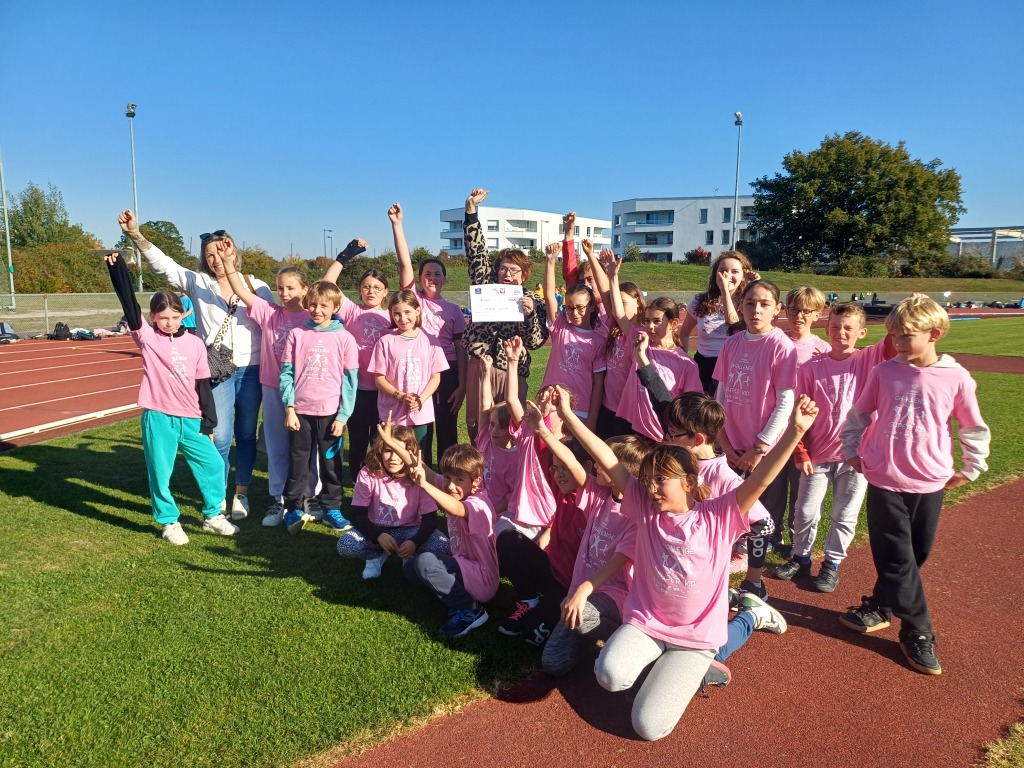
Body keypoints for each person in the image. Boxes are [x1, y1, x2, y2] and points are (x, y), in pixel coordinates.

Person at [563, 377, 819, 741]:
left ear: (688, 482)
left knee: (648, 727)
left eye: (661, 480)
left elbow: (761, 480)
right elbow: (607, 457)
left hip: (695, 638)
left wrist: (795, 432)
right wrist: (566, 415)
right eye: (648, 480)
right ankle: (664, 670)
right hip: (647, 624)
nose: (651, 488)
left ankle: (745, 621)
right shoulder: (646, 508)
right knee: (610, 675)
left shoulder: (718, 515)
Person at [839, 295, 990, 675]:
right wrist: (852, 449)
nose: (897, 343)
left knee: (915, 554)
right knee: (896, 557)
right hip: (885, 477)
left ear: (934, 334)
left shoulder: (956, 378)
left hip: (930, 480)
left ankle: (880, 606)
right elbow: (859, 413)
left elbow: (972, 425)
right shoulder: (885, 372)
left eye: (906, 336)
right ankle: (918, 630)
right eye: (894, 336)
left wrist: (973, 466)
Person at [120, 210, 275, 521]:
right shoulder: (198, 282)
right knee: (219, 436)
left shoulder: (256, 285)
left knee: (246, 435)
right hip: (217, 371)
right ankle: (217, 496)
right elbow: (164, 265)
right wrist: (135, 234)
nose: (215, 259)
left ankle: (241, 493)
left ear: (233, 250)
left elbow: (272, 320)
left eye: (220, 251)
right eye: (209, 255)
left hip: (252, 368)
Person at [215, 242, 363, 526]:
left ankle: (311, 496)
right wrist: (229, 263)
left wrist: (344, 257)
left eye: (290, 288)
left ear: (306, 290)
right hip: (276, 388)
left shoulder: (315, 316)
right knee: (278, 446)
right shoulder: (270, 312)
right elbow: (241, 291)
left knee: (313, 450)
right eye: (279, 288)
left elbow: (328, 287)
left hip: (315, 393)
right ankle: (280, 499)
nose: (284, 293)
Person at [102, 249, 236, 545]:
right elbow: (128, 302)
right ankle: (169, 522)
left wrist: (208, 422)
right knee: (161, 472)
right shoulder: (147, 338)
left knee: (213, 464)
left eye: (175, 317)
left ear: (183, 314)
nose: (170, 322)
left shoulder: (195, 343)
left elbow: (203, 384)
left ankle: (213, 515)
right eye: (163, 318)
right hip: (159, 416)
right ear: (153, 318)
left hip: (192, 418)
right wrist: (118, 269)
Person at [774, 302, 895, 591]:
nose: (841, 332)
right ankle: (801, 556)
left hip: (857, 458)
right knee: (805, 511)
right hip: (817, 455)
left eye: (848, 328)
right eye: (835, 327)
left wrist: (906, 310)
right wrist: (801, 452)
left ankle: (832, 564)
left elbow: (892, 341)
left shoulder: (868, 359)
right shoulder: (810, 368)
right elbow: (798, 413)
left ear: (862, 333)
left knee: (845, 514)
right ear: (827, 330)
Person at [714, 279, 798, 596]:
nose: (756, 310)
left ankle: (754, 580)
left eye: (764, 304)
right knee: (729, 507)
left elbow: (785, 403)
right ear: (741, 307)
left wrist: (760, 447)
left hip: (762, 450)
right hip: (731, 447)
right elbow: (721, 395)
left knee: (759, 516)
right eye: (750, 303)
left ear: (777, 309)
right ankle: (727, 560)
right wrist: (723, 442)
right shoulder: (731, 345)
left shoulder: (781, 347)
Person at [542, 432, 650, 677]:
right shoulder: (599, 493)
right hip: (584, 594)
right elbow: (570, 461)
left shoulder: (638, 517)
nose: (594, 464)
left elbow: (617, 562)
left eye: (602, 461)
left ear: (619, 472)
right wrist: (543, 431)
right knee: (552, 663)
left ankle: (628, 642)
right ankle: (591, 637)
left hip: (613, 597)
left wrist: (582, 590)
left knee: (584, 616)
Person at [497, 394, 595, 645]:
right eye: (555, 468)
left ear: (585, 468)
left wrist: (563, 417)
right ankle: (529, 600)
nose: (558, 474)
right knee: (507, 539)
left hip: (572, 586)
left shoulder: (592, 501)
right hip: (551, 570)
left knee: (532, 637)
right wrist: (540, 425)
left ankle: (548, 610)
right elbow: (544, 450)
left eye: (564, 469)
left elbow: (577, 466)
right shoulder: (560, 490)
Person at [462, 188, 548, 443]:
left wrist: (529, 316)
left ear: (524, 274)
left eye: (514, 270)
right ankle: (480, 463)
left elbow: (535, 342)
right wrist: (471, 213)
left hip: (512, 368)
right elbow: (477, 255)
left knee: (511, 424)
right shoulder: (486, 287)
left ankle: (509, 463)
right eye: (503, 269)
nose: (507, 274)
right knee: (477, 424)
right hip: (481, 365)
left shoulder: (534, 300)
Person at [276, 280, 360, 535]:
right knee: (298, 462)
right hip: (301, 412)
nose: (317, 310)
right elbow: (287, 374)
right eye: (313, 304)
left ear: (335, 306)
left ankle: (331, 508)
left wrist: (343, 416)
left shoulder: (345, 338)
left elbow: (350, 381)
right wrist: (290, 407)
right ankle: (292, 509)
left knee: (331, 463)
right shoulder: (296, 334)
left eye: (324, 305)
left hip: (332, 414)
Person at [390, 203, 467, 465]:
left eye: (437, 274)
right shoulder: (414, 300)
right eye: (427, 274)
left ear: (445, 278)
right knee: (419, 426)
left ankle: (447, 475)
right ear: (420, 278)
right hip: (418, 370)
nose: (432, 277)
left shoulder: (453, 310)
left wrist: (462, 385)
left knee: (447, 426)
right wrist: (397, 225)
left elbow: (461, 349)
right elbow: (404, 263)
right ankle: (418, 470)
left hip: (447, 372)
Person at [600, 250, 701, 442]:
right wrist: (612, 277)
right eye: (647, 321)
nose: (650, 326)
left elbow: (690, 409)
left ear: (674, 323)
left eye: (657, 321)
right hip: (628, 426)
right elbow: (619, 314)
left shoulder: (686, 364)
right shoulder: (641, 341)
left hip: (659, 435)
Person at [337, 417, 450, 579]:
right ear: (379, 451)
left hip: (410, 530)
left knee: (444, 547)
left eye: (398, 452)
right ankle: (375, 555)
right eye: (388, 451)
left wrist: (415, 542)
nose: (393, 458)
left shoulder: (418, 475)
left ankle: (411, 555)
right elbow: (357, 515)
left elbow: (430, 518)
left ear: (408, 453)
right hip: (377, 528)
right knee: (346, 545)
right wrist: (377, 535)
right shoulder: (368, 473)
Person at [404, 444, 498, 638]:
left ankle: (470, 609)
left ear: (476, 481)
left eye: (459, 480)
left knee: (425, 562)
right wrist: (393, 443)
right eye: (447, 477)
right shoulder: (456, 489)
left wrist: (424, 485)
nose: (450, 486)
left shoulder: (478, 504)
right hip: (465, 566)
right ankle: (455, 594)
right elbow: (427, 472)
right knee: (410, 568)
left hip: (482, 579)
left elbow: (456, 509)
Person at [321, 245, 392, 483]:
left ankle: (379, 480)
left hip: (384, 390)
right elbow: (327, 284)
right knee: (358, 439)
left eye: (377, 288)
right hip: (356, 390)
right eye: (366, 287)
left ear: (385, 291)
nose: (371, 292)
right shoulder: (352, 311)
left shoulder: (392, 316)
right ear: (360, 290)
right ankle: (357, 478)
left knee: (380, 440)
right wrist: (346, 255)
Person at [368, 289, 449, 459]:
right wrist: (400, 395)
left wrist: (421, 399)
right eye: (397, 314)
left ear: (417, 311)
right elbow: (379, 379)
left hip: (420, 414)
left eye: (407, 312)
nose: (402, 318)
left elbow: (436, 377)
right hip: (392, 414)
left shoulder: (431, 341)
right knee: (392, 457)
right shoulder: (385, 342)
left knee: (419, 457)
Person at [540, 241, 607, 431]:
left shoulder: (598, 340)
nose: (575, 313)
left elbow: (598, 383)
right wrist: (550, 261)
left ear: (592, 306)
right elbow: (549, 296)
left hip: (580, 410)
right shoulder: (561, 327)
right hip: (550, 404)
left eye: (580, 308)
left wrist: (592, 419)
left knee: (572, 450)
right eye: (569, 308)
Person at [584, 239, 646, 439]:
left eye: (623, 302)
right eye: (616, 302)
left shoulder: (642, 334)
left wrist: (613, 276)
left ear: (638, 302)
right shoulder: (614, 327)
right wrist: (591, 256)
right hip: (607, 406)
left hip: (629, 410)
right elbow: (605, 292)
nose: (618, 306)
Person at [677, 251, 757, 396]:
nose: (728, 275)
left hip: (734, 366)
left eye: (735, 271)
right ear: (715, 274)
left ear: (744, 275)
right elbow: (684, 334)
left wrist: (754, 286)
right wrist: (684, 361)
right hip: (704, 367)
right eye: (722, 271)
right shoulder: (700, 301)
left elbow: (734, 326)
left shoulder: (749, 302)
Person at [474, 354, 518, 516]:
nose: (493, 430)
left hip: (496, 512)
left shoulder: (514, 458)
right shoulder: (486, 439)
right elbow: (485, 403)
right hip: (474, 503)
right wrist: (486, 373)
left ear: (512, 430)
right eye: (492, 424)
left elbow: (512, 495)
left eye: (502, 427)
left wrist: (491, 512)